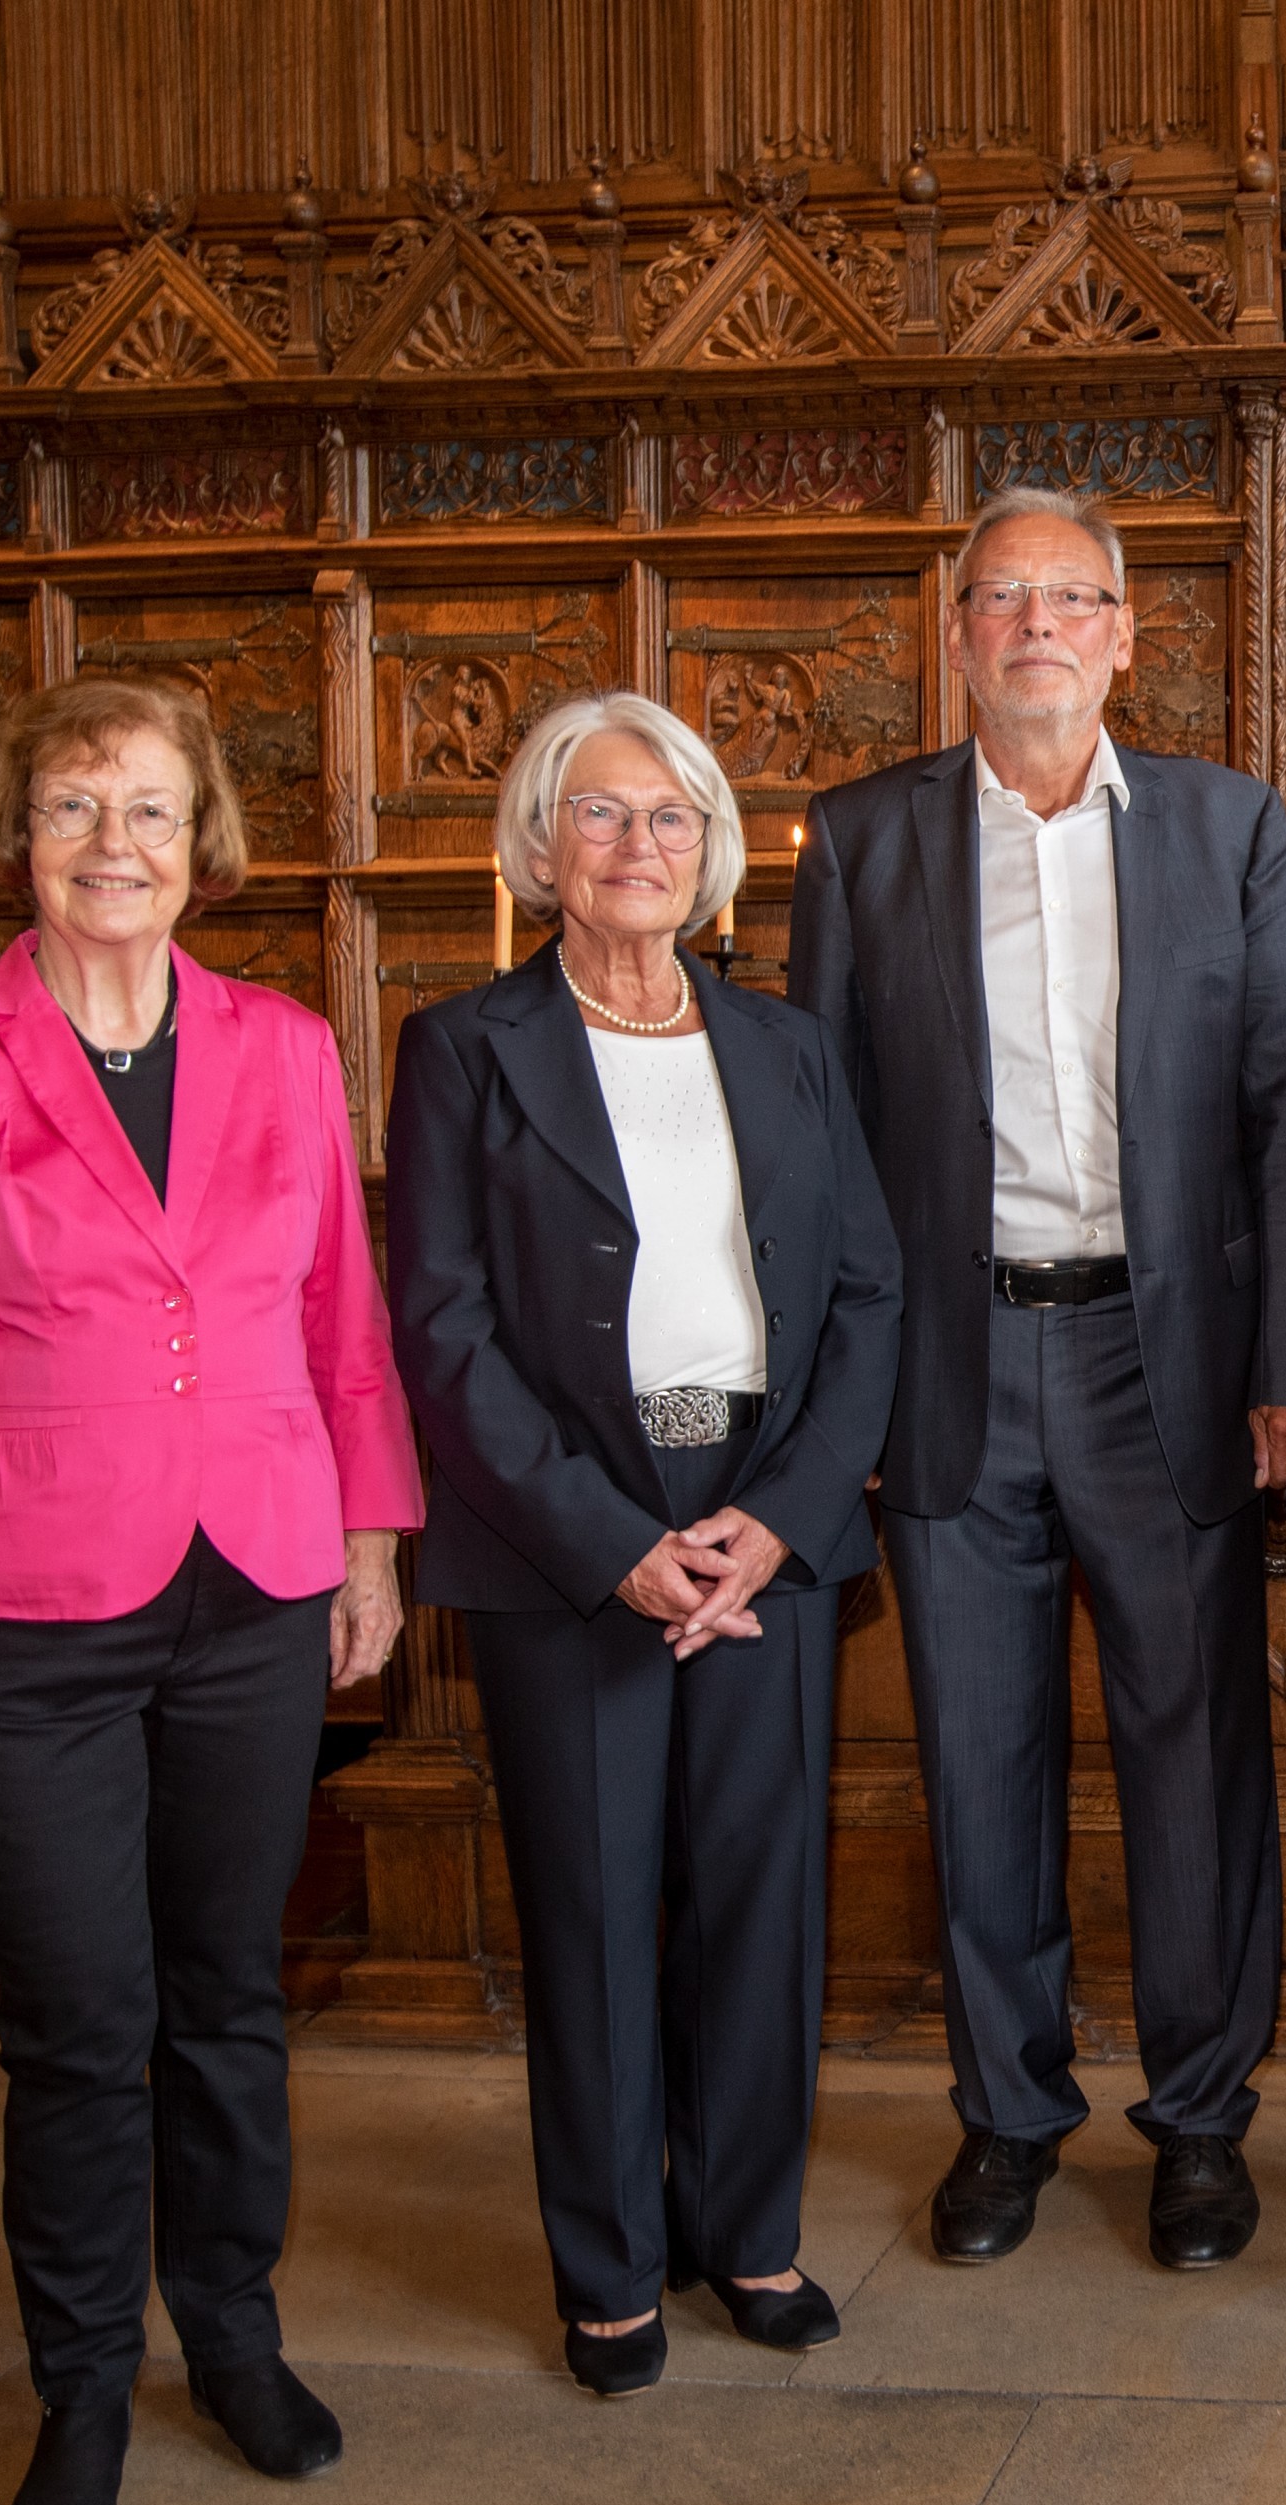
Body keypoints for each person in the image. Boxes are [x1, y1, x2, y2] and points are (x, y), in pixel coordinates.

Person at [0, 677, 417, 2505]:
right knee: (81, 2021)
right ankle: (79, 2384)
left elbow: (345, 1326)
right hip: (18, 1603)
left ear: (202, 845)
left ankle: (231, 2333)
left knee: (231, 1995)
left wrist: (372, 1544)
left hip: (254, 1578)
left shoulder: (287, 1047)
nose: (114, 846)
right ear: (23, 829)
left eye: (151, 812)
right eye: (77, 806)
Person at [790, 487, 1286, 2275]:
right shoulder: (861, 843)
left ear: (1125, 635)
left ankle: (1200, 2121)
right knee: (981, 1758)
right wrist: (843, 1398)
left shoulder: (1226, 829)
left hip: (1160, 1361)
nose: (1036, 622)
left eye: (1071, 596)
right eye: (1000, 596)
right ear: (957, 636)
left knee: (1195, 1764)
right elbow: (818, 1147)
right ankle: (1008, 2115)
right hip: (950, 1364)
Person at [388, 693, 900, 2397]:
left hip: (764, 1526)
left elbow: (865, 1297)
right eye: (599, 815)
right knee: (598, 1913)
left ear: (713, 855)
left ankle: (747, 2231)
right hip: (572, 1547)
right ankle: (608, 2262)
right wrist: (617, 1543)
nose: (637, 846)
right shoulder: (465, 1046)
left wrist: (786, 1519)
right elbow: (444, 1330)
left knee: (761, 1900)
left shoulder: (790, 1045)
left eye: (670, 817)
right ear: (540, 849)